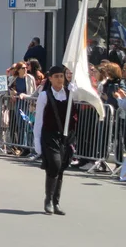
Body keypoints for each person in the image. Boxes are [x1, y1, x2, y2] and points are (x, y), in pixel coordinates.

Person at [33, 66, 78, 215]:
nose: (60, 79)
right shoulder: (44, 95)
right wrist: (37, 141)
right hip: (50, 134)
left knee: (62, 167)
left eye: (61, 76)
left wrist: (75, 87)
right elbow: (39, 119)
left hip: (67, 136)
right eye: (56, 76)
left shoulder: (70, 93)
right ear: (50, 78)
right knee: (55, 164)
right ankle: (48, 199)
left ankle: (56, 202)